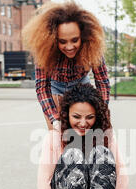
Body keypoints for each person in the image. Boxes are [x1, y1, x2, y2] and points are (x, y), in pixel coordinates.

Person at [22, 1, 111, 131]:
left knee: (94, 134)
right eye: (63, 42)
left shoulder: (92, 48)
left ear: (83, 36)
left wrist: (100, 111)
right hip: (55, 89)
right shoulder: (44, 51)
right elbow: (42, 88)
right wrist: (54, 119)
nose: (69, 47)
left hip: (82, 86)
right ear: (53, 39)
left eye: (75, 40)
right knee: (57, 136)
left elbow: (102, 82)